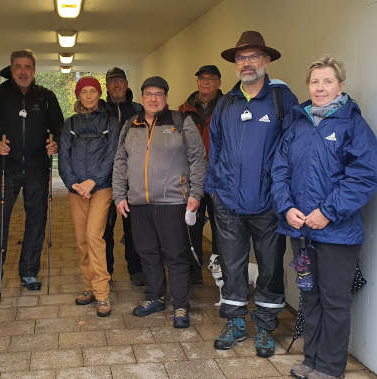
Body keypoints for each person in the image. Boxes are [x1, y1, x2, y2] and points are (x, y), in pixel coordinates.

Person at [273, 57, 377, 379]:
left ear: (341, 86)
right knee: (310, 296)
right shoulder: (297, 124)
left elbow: (363, 176)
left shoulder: (353, 125)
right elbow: (279, 171)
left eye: (327, 81)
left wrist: (327, 213)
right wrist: (286, 207)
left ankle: (331, 367)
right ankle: (312, 360)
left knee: (334, 301)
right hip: (301, 231)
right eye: (315, 82)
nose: (320, 88)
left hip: (337, 234)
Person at [205, 31, 299, 358]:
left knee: (271, 266)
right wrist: (213, 189)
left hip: (268, 203)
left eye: (253, 57)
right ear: (235, 64)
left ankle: (264, 326)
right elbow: (214, 146)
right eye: (241, 58)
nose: (247, 63)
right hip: (229, 203)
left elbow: (294, 148)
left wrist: (283, 194)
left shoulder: (280, 98)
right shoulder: (226, 102)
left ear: (266, 61)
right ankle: (235, 324)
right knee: (232, 265)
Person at [112, 76, 207, 329]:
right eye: (148, 94)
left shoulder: (180, 121)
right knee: (147, 252)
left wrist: (196, 194)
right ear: (141, 97)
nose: (153, 99)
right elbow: (120, 161)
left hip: (173, 201)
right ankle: (154, 296)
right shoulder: (130, 125)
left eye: (159, 94)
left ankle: (180, 305)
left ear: (166, 98)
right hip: (139, 203)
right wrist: (119, 195)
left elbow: (198, 158)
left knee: (176, 254)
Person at [0, 49, 64, 296]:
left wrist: (55, 142)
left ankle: (29, 271)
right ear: (12, 69)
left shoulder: (46, 96)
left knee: (36, 220)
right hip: (8, 167)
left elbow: (58, 127)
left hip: (38, 168)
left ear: (34, 71)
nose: (23, 71)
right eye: (18, 66)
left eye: (28, 67)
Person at [59, 77, 120, 317]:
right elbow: (63, 155)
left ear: (99, 94)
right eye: (83, 91)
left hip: (101, 187)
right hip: (77, 190)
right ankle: (89, 287)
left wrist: (93, 181)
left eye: (92, 91)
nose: (88, 95)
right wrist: (73, 183)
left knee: (94, 236)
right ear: (77, 95)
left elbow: (113, 153)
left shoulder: (110, 121)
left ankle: (102, 293)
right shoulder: (70, 123)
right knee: (82, 239)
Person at [178, 64, 224, 285]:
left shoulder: (228, 107)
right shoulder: (183, 110)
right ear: (197, 82)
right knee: (191, 227)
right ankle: (193, 273)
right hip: (192, 179)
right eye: (202, 78)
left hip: (219, 180)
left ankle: (221, 275)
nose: (206, 82)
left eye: (211, 79)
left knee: (221, 230)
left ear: (219, 83)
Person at [102, 67, 145, 287]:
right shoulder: (100, 111)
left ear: (127, 84)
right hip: (105, 180)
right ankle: (106, 271)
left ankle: (136, 270)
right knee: (105, 229)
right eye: (112, 82)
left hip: (134, 180)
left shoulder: (139, 110)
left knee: (135, 229)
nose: (117, 85)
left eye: (120, 81)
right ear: (107, 86)